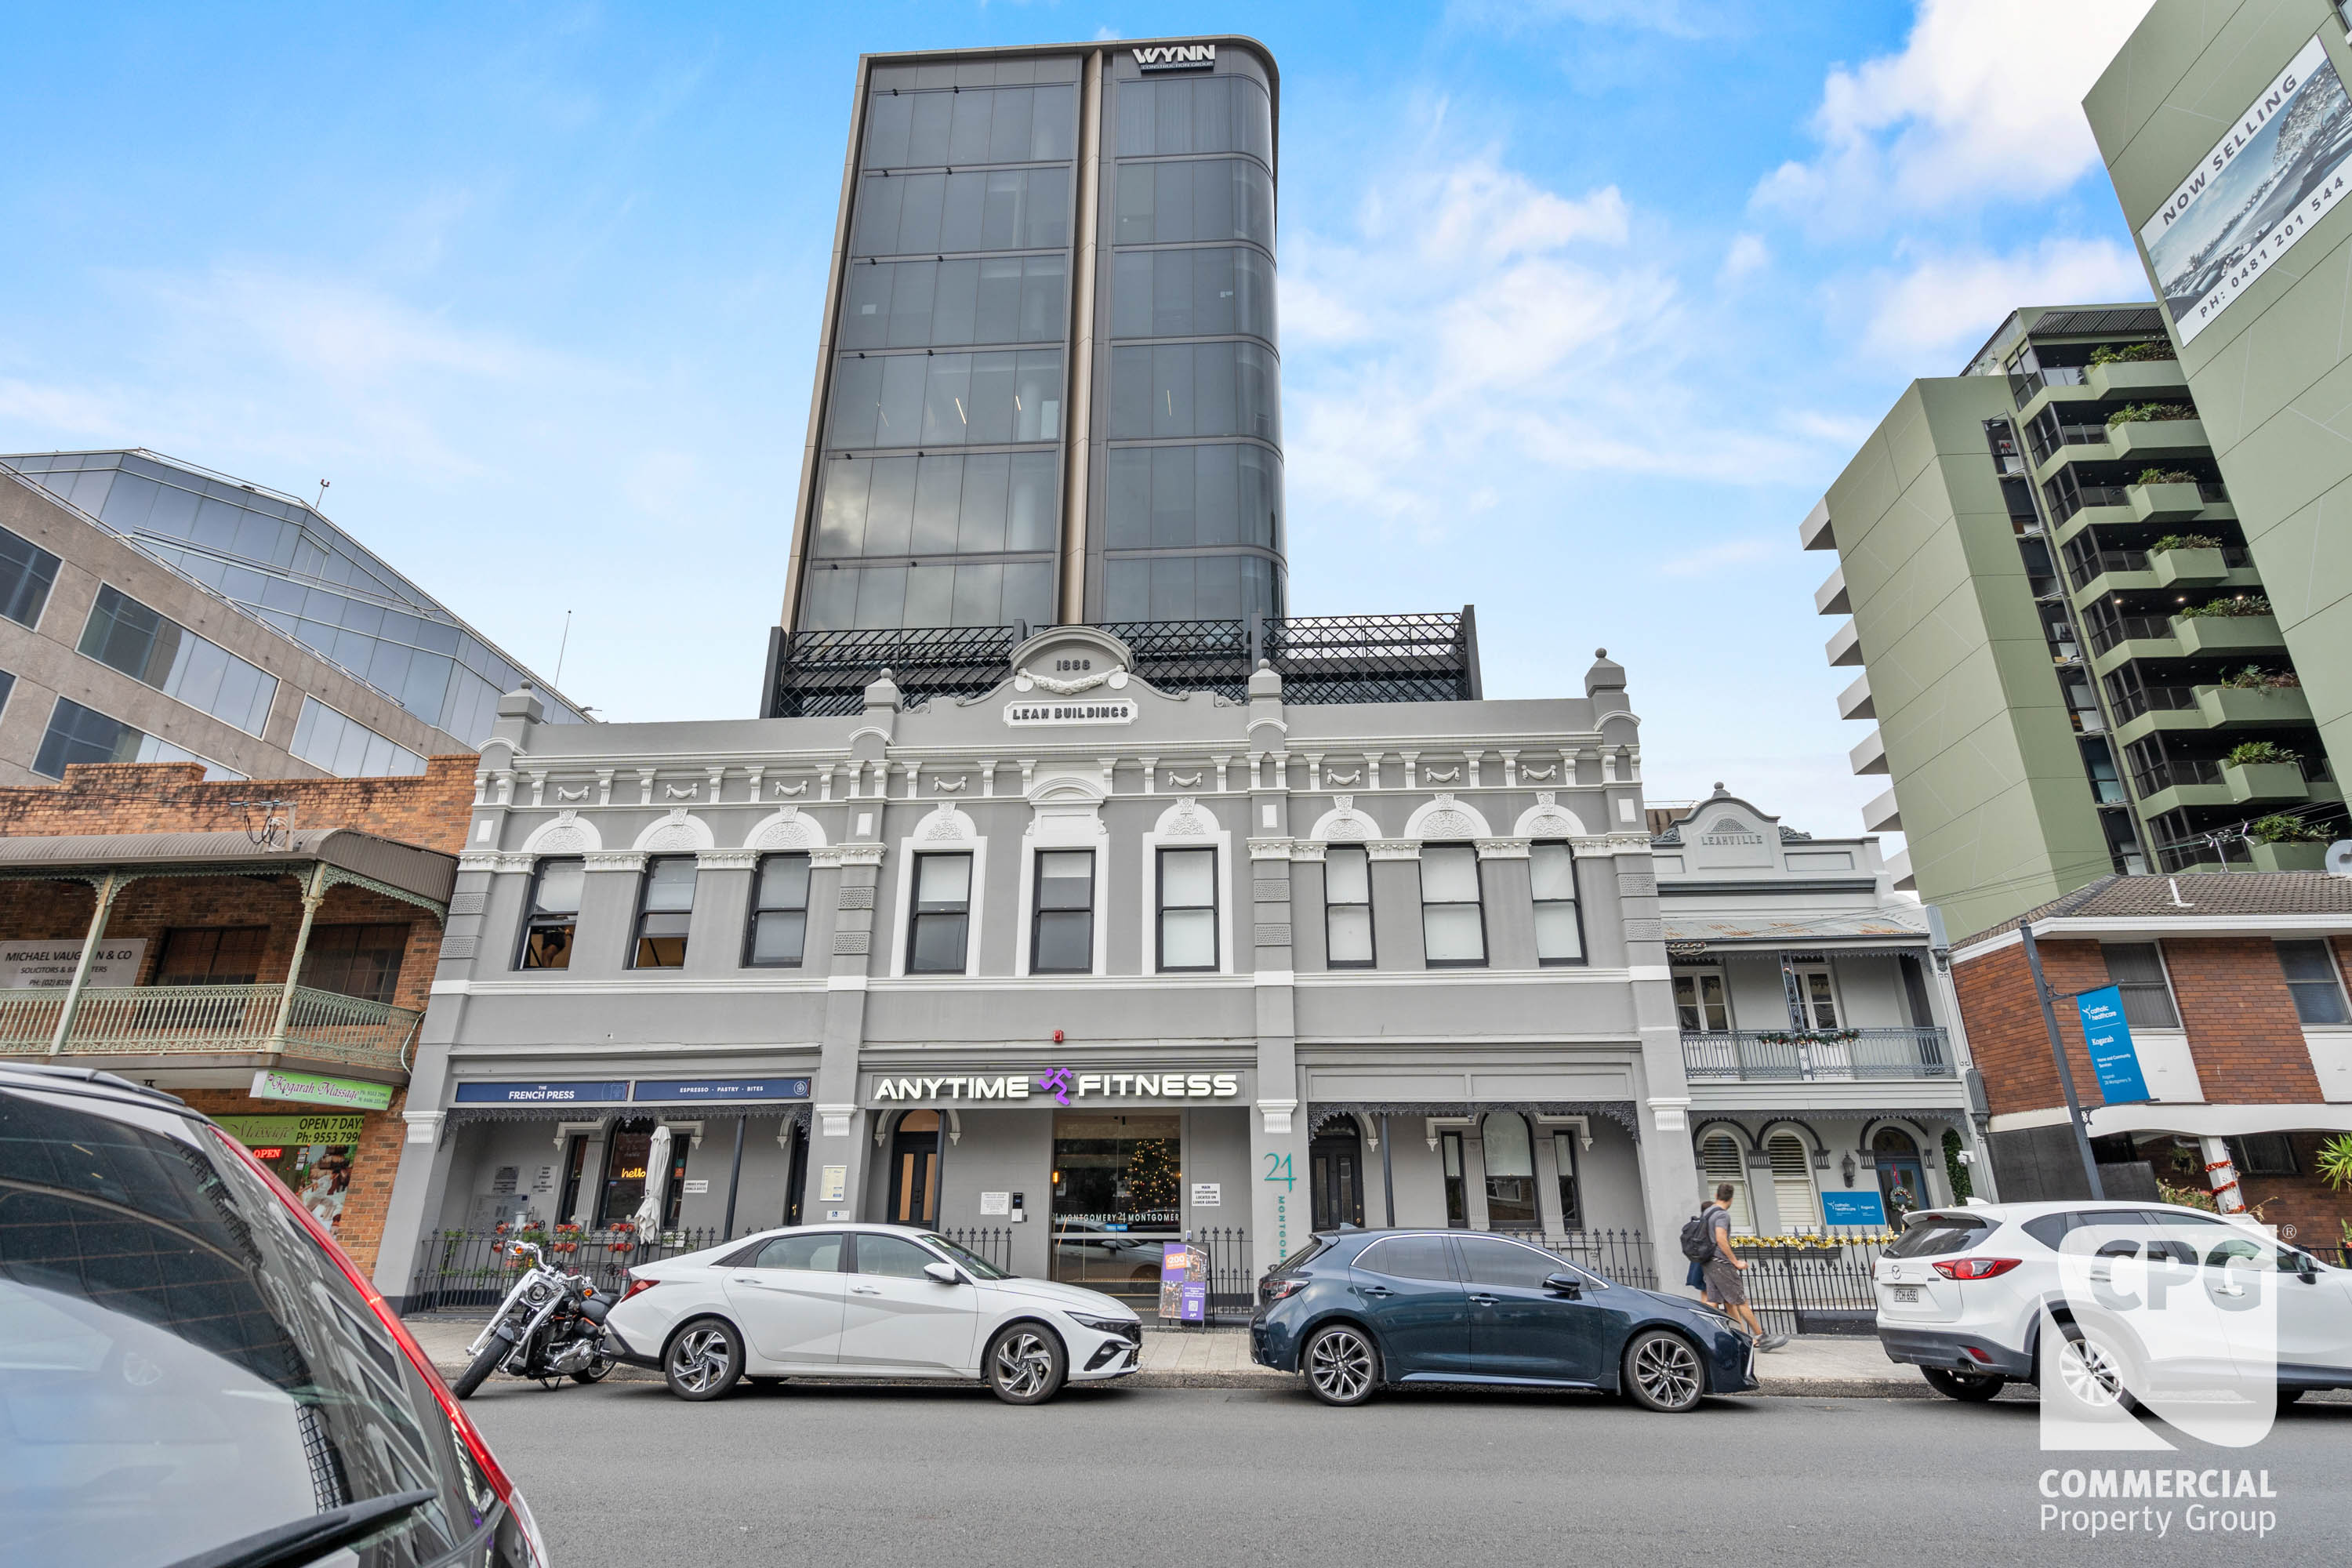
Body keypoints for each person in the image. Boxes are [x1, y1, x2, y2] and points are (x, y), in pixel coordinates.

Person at [1702, 1183, 1787, 1351]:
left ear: (1717, 1195)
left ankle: (1702, 1334)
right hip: (1721, 1263)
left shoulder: (1708, 1212)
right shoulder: (1722, 1215)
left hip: (1709, 1262)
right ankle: (1762, 1338)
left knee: (1712, 1300)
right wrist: (1735, 1261)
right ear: (1731, 1199)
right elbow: (1721, 1238)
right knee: (1740, 1301)